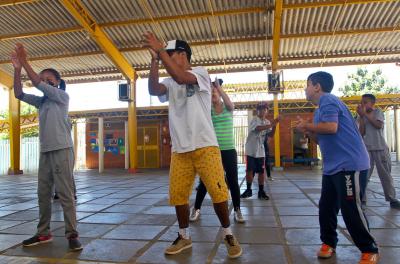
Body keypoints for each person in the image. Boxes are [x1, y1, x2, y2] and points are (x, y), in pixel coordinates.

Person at [143, 33, 242, 258]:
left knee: (218, 193)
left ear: (183, 54)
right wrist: (154, 60)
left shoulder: (201, 73)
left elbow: (180, 77)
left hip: (206, 146)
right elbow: (153, 90)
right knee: (178, 195)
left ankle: (228, 234)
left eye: (169, 54)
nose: (166, 57)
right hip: (180, 149)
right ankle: (184, 236)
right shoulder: (169, 81)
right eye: (165, 55)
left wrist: (160, 52)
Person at [294, 71, 379, 264]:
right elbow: (321, 136)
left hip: (350, 164)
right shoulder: (319, 110)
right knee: (326, 207)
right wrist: (307, 130)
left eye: (307, 84)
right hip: (332, 167)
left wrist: (308, 125)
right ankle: (328, 243)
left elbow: (331, 127)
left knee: (351, 208)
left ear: (317, 87)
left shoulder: (329, 100)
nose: (305, 89)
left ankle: (369, 248)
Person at [10, 43, 82, 251]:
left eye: (49, 79)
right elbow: (18, 93)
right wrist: (17, 69)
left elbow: (39, 85)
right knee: (43, 194)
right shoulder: (42, 103)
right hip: (45, 151)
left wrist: (25, 62)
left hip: (61, 150)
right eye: (43, 78)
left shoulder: (62, 98)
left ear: (58, 83)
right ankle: (43, 233)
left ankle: (72, 235)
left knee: (65, 193)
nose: (44, 81)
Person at [189, 78, 244, 223]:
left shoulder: (227, 108)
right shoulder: (208, 110)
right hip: (212, 151)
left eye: (216, 90)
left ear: (219, 92)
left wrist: (218, 87)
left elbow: (231, 105)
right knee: (205, 182)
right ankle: (196, 208)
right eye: (211, 90)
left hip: (229, 150)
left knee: (232, 181)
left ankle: (237, 209)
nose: (214, 92)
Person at [357, 94, 400, 209]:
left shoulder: (378, 112)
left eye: (365, 102)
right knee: (364, 175)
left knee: (385, 174)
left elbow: (378, 125)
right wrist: (361, 117)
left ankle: (392, 199)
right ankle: (362, 199)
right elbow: (361, 132)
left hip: (380, 148)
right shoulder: (361, 115)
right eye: (362, 102)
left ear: (372, 103)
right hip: (366, 149)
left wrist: (365, 114)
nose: (363, 104)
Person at [240, 103, 279, 200]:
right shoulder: (254, 120)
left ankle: (261, 191)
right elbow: (257, 128)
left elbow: (270, 135)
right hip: (251, 150)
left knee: (262, 171)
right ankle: (248, 190)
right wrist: (271, 124)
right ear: (257, 111)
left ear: (267, 111)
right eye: (259, 109)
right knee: (250, 170)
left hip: (261, 151)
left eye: (264, 109)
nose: (262, 111)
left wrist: (275, 125)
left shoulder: (267, 121)